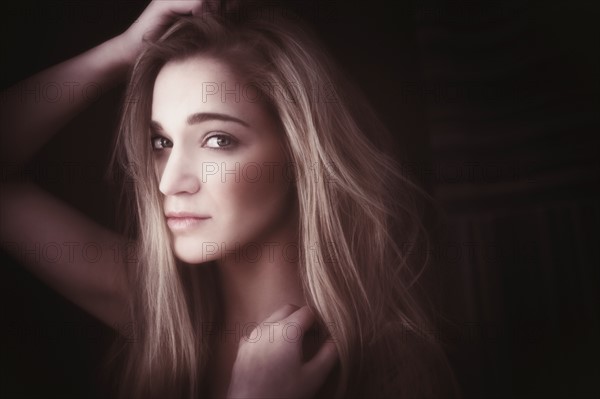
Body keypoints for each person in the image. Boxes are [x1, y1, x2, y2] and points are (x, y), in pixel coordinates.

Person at [0, 1, 459, 398]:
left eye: (217, 140)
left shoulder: (388, 361)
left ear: (299, 152)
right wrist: (118, 53)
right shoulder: (160, 310)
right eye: (161, 143)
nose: (169, 182)